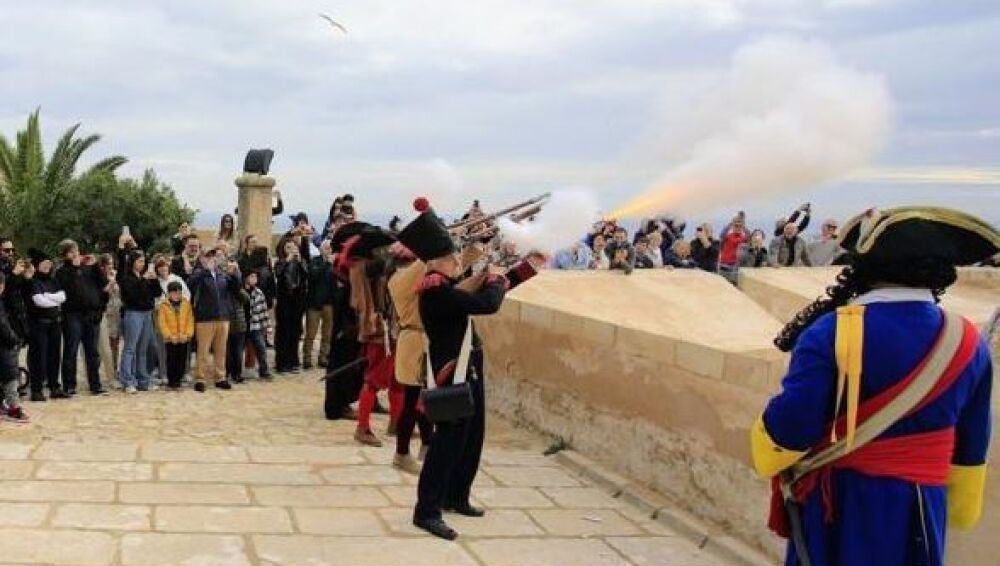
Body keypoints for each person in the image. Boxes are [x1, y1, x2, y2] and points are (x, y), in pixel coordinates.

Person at [752, 206, 998, 566]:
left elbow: (790, 430)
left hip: (842, 501)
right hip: (921, 508)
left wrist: (765, 443)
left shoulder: (830, 331)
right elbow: (972, 445)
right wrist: (958, 505)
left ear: (864, 267)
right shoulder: (969, 342)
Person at [397, 198, 514, 540]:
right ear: (440, 263)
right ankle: (426, 511)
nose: (455, 264)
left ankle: (456, 496)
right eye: (452, 259)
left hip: (468, 367)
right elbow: (487, 303)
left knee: (471, 438)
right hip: (452, 371)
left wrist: (522, 270)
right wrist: (494, 281)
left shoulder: (446, 288)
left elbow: (487, 291)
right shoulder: (437, 293)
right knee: (447, 444)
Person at [387, 243, 433, 474]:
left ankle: (427, 444)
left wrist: (477, 245)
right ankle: (402, 453)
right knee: (411, 403)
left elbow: (452, 266)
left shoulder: (410, 276)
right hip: (413, 341)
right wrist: (437, 242)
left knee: (423, 399)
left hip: (422, 342)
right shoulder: (399, 280)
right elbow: (425, 264)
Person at [55, 239, 109, 396]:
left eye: (76, 250)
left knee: (92, 351)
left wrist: (96, 266)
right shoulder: (62, 271)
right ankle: (69, 385)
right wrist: (74, 268)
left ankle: (95, 384)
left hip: (91, 314)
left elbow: (103, 284)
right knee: (71, 350)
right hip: (72, 315)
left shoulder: (89, 268)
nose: (75, 253)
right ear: (65, 255)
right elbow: (66, 289)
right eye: (71, 251)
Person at [187, 249, 241, 391]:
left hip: (223, 317)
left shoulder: (222, 275)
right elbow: (190, 285)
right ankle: (200, 378)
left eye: (212, 256)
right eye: (207, 256)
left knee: (221, 350)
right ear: (201, 258)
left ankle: (220, 377)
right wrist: (205, 270)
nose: (211, 259)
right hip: (205, 318)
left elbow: (236, 289)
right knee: (203, 350)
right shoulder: (198, 274)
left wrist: (234, 274)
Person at [117, 245, 162, 393]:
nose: (141, 264)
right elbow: (133, 294)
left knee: (143, 349)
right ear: (132, 262)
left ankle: (143, 380)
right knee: (130, 348)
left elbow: (156, 293)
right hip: (133, 313)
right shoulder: (127, 277)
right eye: (139, 261)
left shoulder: (146, 276)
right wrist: (143, 280)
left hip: (147, 313)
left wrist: (154, 279)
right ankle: (127, 381)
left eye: (143, 261)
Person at [26, 248, 67, 400]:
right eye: (44, 263)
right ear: (37, 265)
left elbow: (63, 297)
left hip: (55, 323)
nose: (47, 266)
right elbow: (38, 301)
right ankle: (37, 389)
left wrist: (48, 296)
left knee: (55, 356)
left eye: (49, 263)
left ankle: (54, 386)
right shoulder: (33, 281)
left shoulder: (53, 279)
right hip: (39, 324)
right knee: (39, 357)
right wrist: (52, 298)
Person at [274, 239, 308, 373]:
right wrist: (287, 260)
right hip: (284, 300)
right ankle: (281, 363)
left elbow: (306, 275)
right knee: (283, 331)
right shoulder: (280, 262)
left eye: (293, 247)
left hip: (297, 300)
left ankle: (293, 361)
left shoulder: (301, 262)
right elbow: (278, 274)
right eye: (288, 248)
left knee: (295, 331)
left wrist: (300, 262)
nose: (291, 250)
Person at [0, 272, 29, 422]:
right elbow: (3, 325)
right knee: (10, 376)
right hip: (3, 346)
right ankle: (13, 407)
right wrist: (14, 339)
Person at [156, 281, 194, 390]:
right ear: (169, 294)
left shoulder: (186, 304)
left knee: (182, 360)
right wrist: (169, 336)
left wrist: (187, 334)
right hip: (170, 340)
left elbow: (190, 320)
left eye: (179, 293)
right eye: (174, 293)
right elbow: (162, 323)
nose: (177, 295)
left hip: (183, 338)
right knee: (171, 360)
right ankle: (171, 381)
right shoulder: (163, 306)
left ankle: (178, 381)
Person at [303, 240, 335, 369]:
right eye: (326, 248)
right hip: (314, 303)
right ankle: (307, 358)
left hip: (329, 303)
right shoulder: (315, 261)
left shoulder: (335, 264)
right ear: (321, 249)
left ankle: (323, 357)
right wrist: (326, 263)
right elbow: (313, 276)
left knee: (327, 333)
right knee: (311, 333)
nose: (329, 250)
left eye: (330, 248)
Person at [243, 271, 272, 380]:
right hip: (243, 325)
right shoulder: (241, 291)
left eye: (255, 276)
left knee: (261, 348)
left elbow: (264, 312)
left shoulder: (259, 293)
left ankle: (264, 371)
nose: (254, 279)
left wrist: (267, 327)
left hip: (256, 325)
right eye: (252, 276)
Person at [719, 213, 749, 282]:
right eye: (736, 226)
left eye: (740, 226)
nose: (738, 228)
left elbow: (749, 235)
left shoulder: (744, 238)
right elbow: (722, 234)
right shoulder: (727, 236)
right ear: (733, 226)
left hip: (735, 267)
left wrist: (743, 225)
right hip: (724, 266)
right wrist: (731, 223)